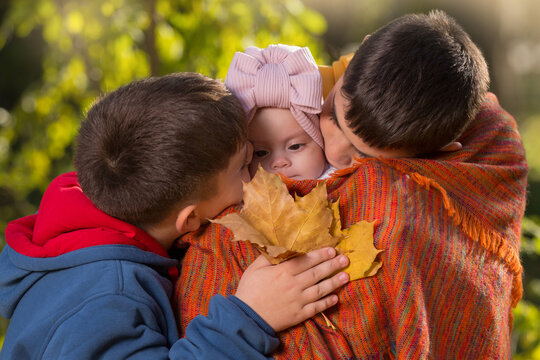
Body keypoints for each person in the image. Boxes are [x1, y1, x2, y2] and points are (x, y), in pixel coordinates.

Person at [174, 10, 528, 359]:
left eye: (364, 154)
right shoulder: (303, 90)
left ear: (439, 154)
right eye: (332, 117)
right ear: (361, 50)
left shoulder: (486, 147)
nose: (337, 151)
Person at [0, 72, 351, 359]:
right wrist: (250, 316)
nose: (261, 174)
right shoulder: (107, 300)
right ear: (189, 220)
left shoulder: (93, 210)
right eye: (245, 165)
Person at [225, 44, 331, 180]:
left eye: (295, 146)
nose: (279, 162)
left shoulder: (349, 183)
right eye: (260, 153)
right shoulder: (241, 197)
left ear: (321, 142)